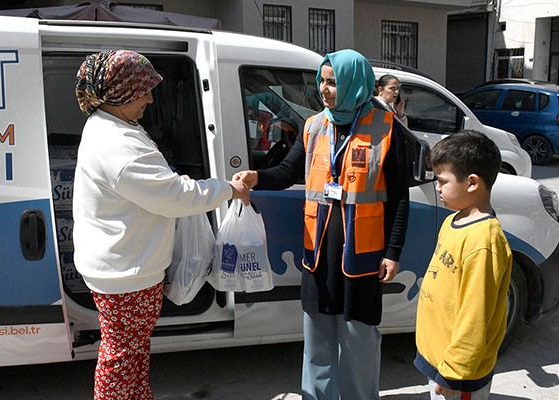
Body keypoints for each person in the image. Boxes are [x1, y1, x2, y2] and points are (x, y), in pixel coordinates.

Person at [72, 49, 249, 400]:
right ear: (120, 92)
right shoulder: (117, 144)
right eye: (143, 90)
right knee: (122, 359)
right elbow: (173, 197)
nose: (151, 99)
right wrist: (227, 188)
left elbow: (156, 186)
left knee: (130, 354)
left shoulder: (110, 125)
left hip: (123, 267)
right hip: (127, 274)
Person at [234, 49, 410, 399]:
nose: (325, 90)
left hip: (362, 255)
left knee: (359, 344)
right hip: (318, 255)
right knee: (317, 345)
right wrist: (257, 176)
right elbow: (287, 172)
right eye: (323, 82)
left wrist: (392, 252)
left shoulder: (387, 129)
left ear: (354, 84)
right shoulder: (314, 125)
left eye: (333, 82)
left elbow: (399, 198)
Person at [414, 130, 512, 400]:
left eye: (442, 181)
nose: (437, 187)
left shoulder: (484, 241)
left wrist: (454, 372)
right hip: (438, 361)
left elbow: (475, 316)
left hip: (457, 376)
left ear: (471, 183)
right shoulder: (452, 221)